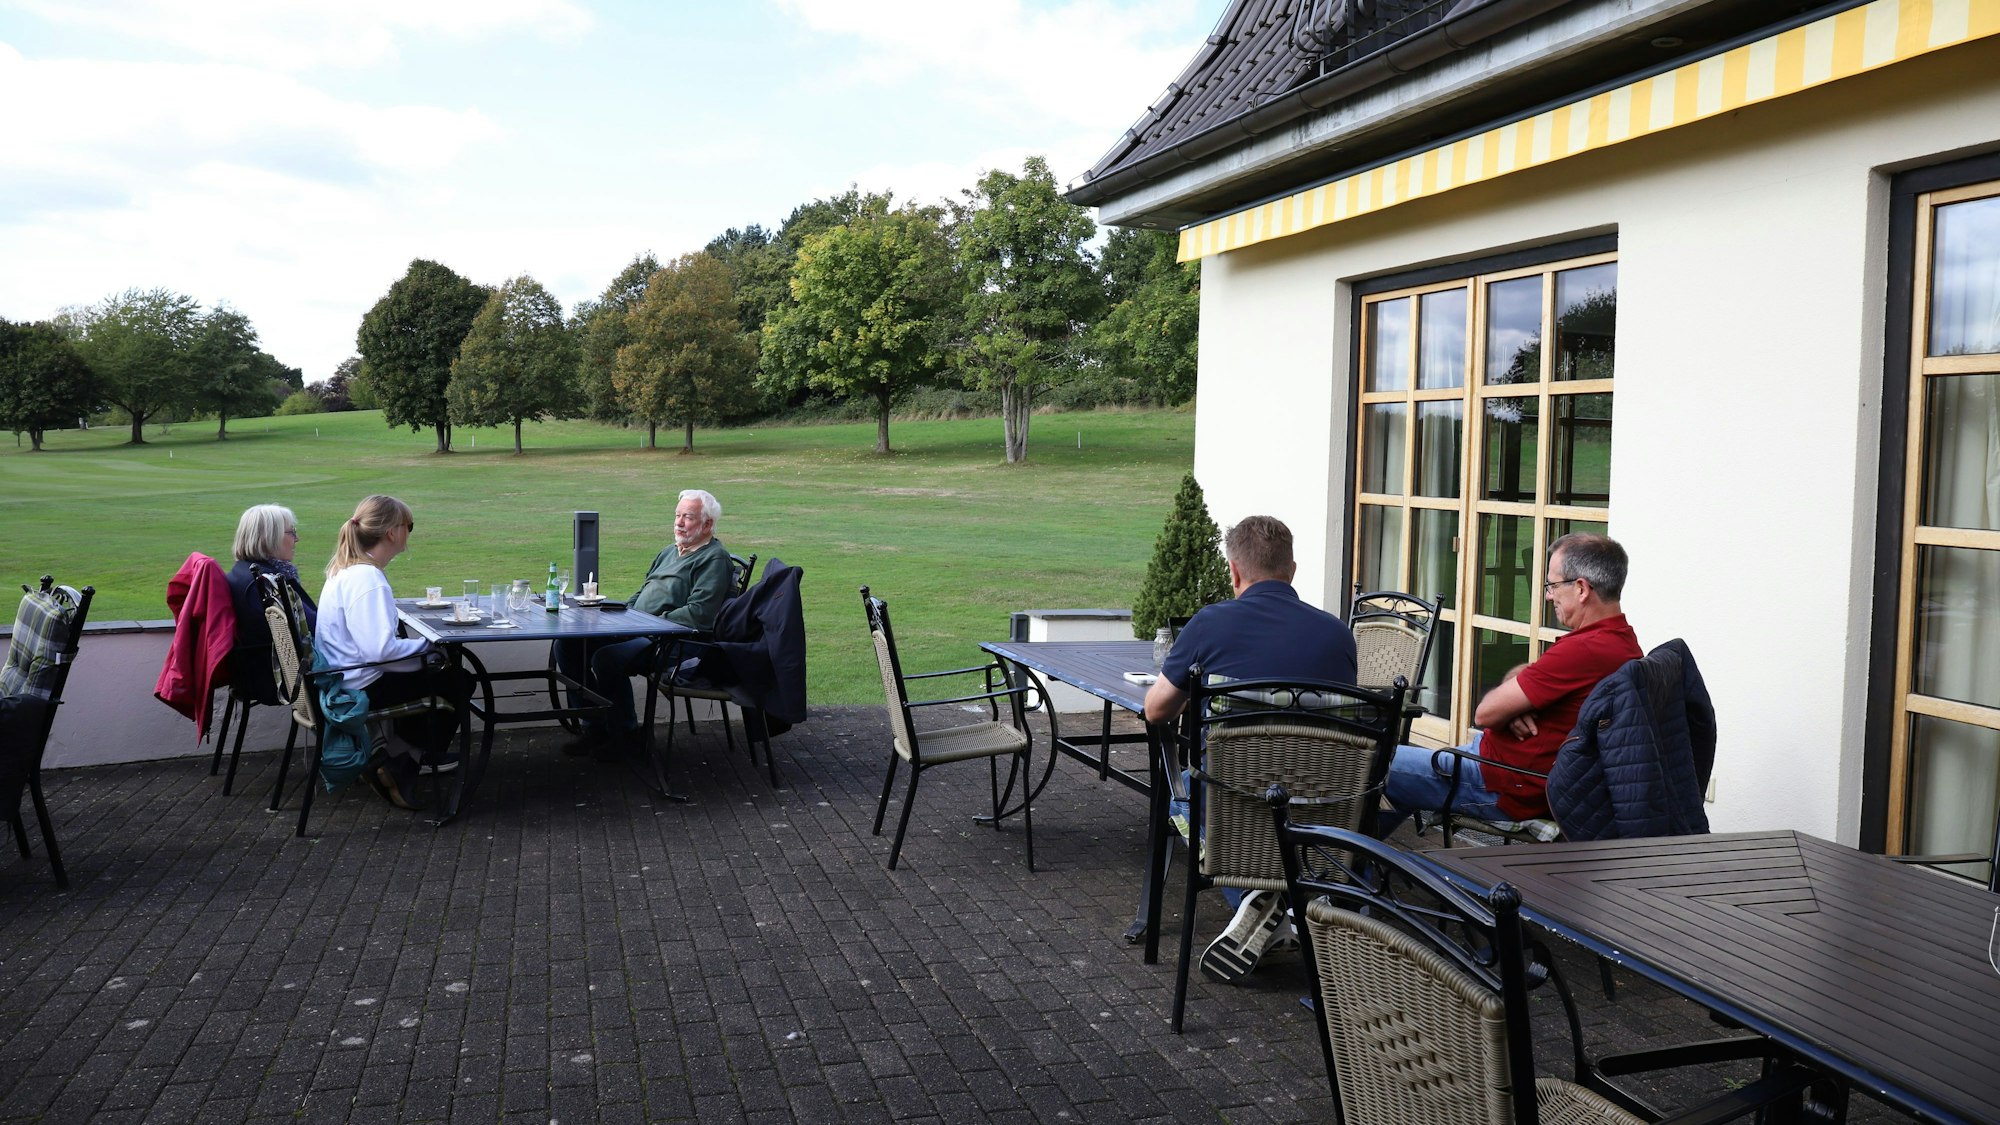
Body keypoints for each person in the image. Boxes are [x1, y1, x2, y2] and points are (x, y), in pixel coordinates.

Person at [1142, 515, 1358, 985]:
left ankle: (1257, 902)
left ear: (1235, 572)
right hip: (1322, 804)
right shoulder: (1338, 635)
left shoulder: (1210, 625)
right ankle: (1296, 906)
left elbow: (1156, 711)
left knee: (1192, 791)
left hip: (1232, 806)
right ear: (1293, 570)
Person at [1376, 532, 1641, 837]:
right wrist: (1515, 704)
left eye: (1552, 586)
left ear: (1581, 588)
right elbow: (1526, 674)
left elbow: (1485, 714)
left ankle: (1347, 869)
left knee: (1374, 762)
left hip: (1502, 783)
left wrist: (1508, 706)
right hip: (1501, 767)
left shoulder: (1583, 650)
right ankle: (1359, 866)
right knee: (1398, 782)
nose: (1548, 596)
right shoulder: (1620, 641)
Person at [317, 494, 471, 809]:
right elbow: (380, 650)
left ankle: (396, 757)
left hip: (342, 678)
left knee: (443, 676)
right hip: (359, 685)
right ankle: (405, 761)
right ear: (392, 532)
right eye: (409, 526)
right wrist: (432, 647)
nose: (409, 533)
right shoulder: (368, 579)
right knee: (459, 681)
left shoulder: (346, 571)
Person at [564, 489, 733, 757]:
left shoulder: (714, 559)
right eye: (677, 515)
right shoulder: (668, 552)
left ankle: (627, 736)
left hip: (673, 642)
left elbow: (700, 614)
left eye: (687, 517)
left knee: (607, 658)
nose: (679, 522)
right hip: (638, 628)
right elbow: (643, 592)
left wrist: (647, 621)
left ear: (707, 524)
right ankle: (595, 727)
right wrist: (620, 612)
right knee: (569, 644)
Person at [222, 504, 318, 708]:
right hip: (281, 681)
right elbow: (315, 628)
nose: (297, 539)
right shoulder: (266, 582)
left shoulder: (242, 573)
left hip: (255, 673)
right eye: (291, 532)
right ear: (269, 537)